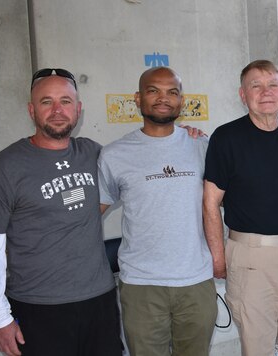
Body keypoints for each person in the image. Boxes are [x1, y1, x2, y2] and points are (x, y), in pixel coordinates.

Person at [0, 68, 122, 356]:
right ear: (32, 110)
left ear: (78, 109)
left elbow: (139, 167)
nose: (57, 110)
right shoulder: (4, 167)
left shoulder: (93, 153)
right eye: (46, 102)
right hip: (38, 308)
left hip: (99, 302)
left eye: (65, 101)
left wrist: (184, 136)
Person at [98, 66, 217, 355]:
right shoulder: (114, 154)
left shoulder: (201, 145)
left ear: (181, 101)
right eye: (154, 91)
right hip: (141, 285)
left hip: (196, 282)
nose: (163, 98)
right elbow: (89, 215)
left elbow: (223, 199)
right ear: (137, 99)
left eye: (172, 92)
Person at [203, 60, 278, 355]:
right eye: (256, 85)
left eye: (272, 85)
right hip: (251, 258)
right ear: (243, 94)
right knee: (257, 348)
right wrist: (218, 257)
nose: (265, 92)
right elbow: (211, 202)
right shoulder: (226, 139)